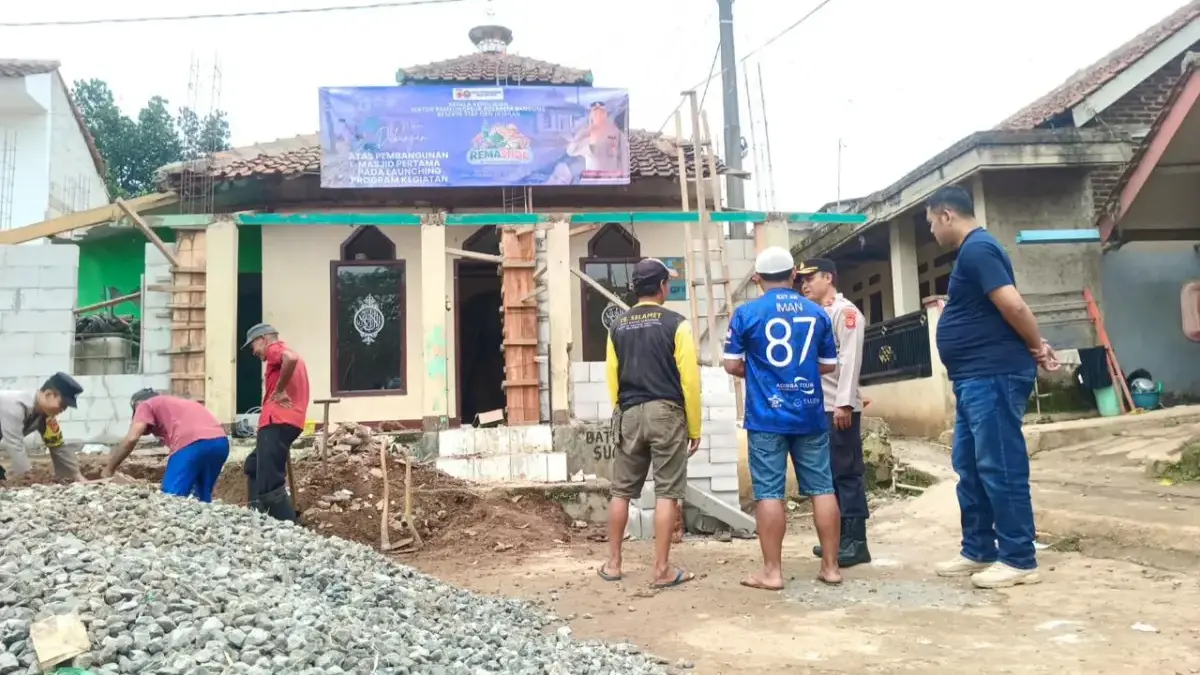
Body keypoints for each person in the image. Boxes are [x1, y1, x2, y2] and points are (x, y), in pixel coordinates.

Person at [925, 185, 1059, 589]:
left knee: (999, 465)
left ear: (947, 215)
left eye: (931, 222)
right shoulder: (972, 252)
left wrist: (1036, 346)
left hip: (993, 375)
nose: (931, 231)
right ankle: (979, 548)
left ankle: (1018, 558)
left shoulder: (979, 249)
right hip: (973, 377)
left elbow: (1013, 305)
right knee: (969, 466)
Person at [724, 247, 843, 589]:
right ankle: (831, 568)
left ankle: (772, 572)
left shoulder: (746, 314)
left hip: (766, 416)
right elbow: (829, 365)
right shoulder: (818, 313)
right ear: (793, 275)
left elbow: (731, 364)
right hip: (809, 413)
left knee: (769, 493)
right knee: (822, 488)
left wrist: (761, 373)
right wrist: (799, 372)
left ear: (757, 279)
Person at [598, 258, 701, 588]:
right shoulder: (677, 324)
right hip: (666, 413)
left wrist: (622, 412)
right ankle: (661, 570)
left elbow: (612, 377)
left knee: (621, 492)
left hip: (629, 412)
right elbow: (689, 381)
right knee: (667, 492)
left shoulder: (617, 326)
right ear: (661, 287)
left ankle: (614, 564)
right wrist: (694, 427)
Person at [799, 258, 871, 567]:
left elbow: (850, 359)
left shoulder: (846, 312)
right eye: (801, 280)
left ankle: (856, 542)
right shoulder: (818, 313)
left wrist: (845, 402)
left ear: (828, 278)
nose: (804, 284)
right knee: (829, 473)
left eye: (810, 278)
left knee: (847, 472)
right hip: (821, 405)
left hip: (838, 407)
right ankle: (840, 539)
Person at [103, 389, 231, 502]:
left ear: (137, 405)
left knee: (170, 499)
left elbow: (131, 439)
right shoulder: (176, 405)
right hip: (220, 443)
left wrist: (109, 469)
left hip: (192, 443)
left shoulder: (145, 404)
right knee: (201, 497)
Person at [243, 323, 310, 522]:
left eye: (253, 346)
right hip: (286, 421)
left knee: (270, 484)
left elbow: (290, 358)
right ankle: (257, 517)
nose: (254, 352)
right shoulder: (284, 356)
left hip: (277, 421)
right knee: (253, 465)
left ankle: (288, 528)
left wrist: (279, 390)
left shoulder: (276, 349)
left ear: (263, 339)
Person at [0, 373, 86, 483]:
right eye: (63, 404)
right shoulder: (15, 406)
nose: (63, 410)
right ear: (48, 394)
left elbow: (57, 445)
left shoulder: (45, 415)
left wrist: (75, 475)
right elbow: (14, 444)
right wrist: (27, 477)